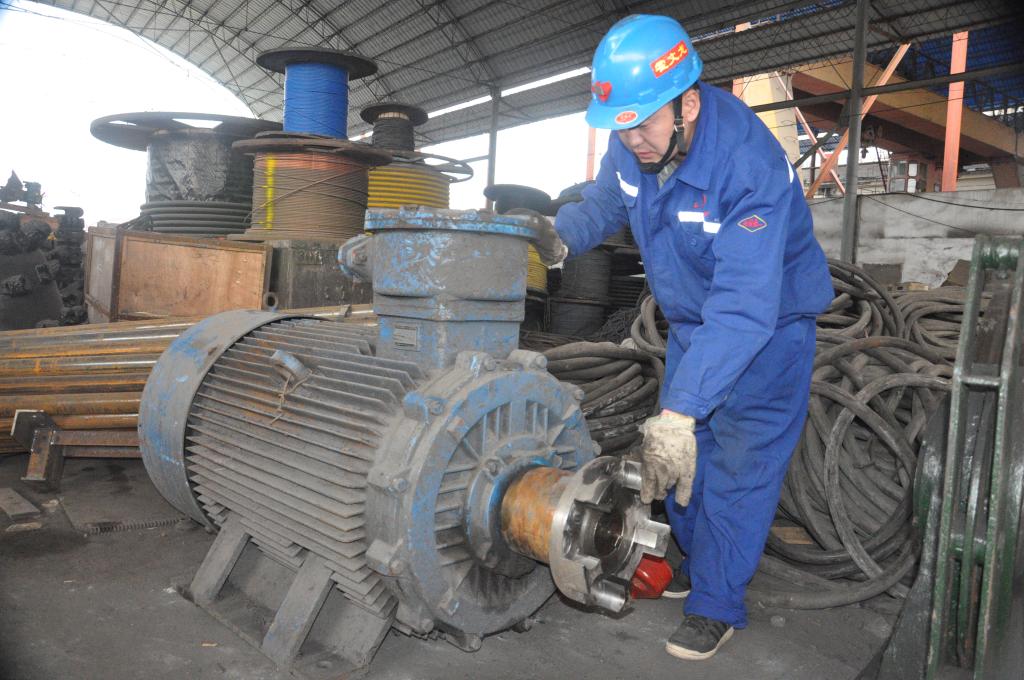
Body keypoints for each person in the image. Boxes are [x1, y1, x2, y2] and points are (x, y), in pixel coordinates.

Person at [525, 14, 833, 661]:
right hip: (695, 327)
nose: (631, 139)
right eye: (620, 127)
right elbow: (607, 200)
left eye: (643, 124)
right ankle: (698, 562)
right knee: (685, 462)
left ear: (687, 104)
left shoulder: (747, 166)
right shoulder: (634, 141)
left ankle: (718, 604)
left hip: (767, 334)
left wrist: (681, 409)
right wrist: (562, 234)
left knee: (739, 465)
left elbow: (744, 307)